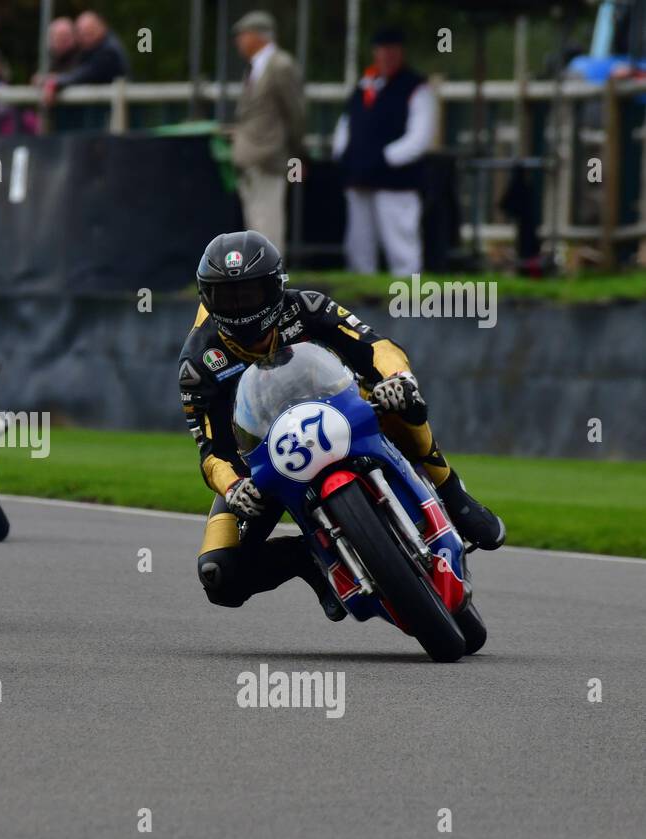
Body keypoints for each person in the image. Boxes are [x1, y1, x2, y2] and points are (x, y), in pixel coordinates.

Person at [177, 230, 504, 617]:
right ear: (205, 297)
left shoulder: (307, 307)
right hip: (264, 461)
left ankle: (451, 490)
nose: (239, 308)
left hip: (341, 410)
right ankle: (309, 561)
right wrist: (234, 487)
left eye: (249, 294)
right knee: (218, 573)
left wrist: (397, 379)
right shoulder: (199, 365)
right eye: (225, 297)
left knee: (404, 403)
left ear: (277, 285)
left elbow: (375, 346)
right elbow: (211, 452)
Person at [331, 27, 436, 275]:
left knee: (401, 242)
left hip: (395, 181)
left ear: (401, 53)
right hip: (359, 177)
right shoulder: (365, 85)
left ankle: (407, 293)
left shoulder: (416, 87)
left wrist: (384, 158)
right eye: (382, 50)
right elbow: (347, 123)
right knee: (358, 242)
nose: (387, 56)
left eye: (392, 50)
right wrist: (344, 153)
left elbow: (419, 138)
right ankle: (361, 294)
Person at [229, 10, 305, 251]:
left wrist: (296, 150)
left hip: (270, 155)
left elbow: (296, 111)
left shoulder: (281, 65)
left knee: (268, 221)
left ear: (259, 36)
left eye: (243, 35)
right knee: (255, 222)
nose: (238, 41)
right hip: (249, 157)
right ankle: (256, 276)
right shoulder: (254, 68)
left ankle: (272, 276)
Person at [41, 11, 128, 105]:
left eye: (90, 31)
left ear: (102, 27)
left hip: (109, 113)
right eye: (81, 33)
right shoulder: (93, 50)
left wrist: (56, 81)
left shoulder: (108, 52)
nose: (85, 37)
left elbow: (85, 74)